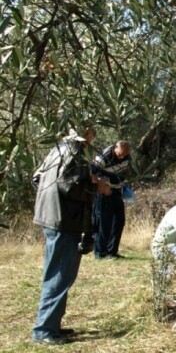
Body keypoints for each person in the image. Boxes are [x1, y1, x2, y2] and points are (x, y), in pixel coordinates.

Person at [32, 127, 110, 345]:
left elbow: (37, 179)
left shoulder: (56, 149)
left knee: (57, 273)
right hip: (64, 222)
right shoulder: (74, 153)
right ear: (84, 131)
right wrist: (97, 187)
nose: (94, 135)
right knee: (59, 275)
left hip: (52, 218)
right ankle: (44, 330)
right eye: (92, 131)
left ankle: (52, 325)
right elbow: (68, 187)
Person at [91, 140, 132, 259]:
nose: (122, 156)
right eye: (120, 154)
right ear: (115, 148)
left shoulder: (127, 157)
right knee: (104, 222)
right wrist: (103, 187)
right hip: (105, 193)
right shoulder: (105, 155)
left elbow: (125, 172)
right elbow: (93, 171)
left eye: (125, 154)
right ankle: (100, 252)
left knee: (119, 221)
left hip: (117, 191)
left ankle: (112, 251)